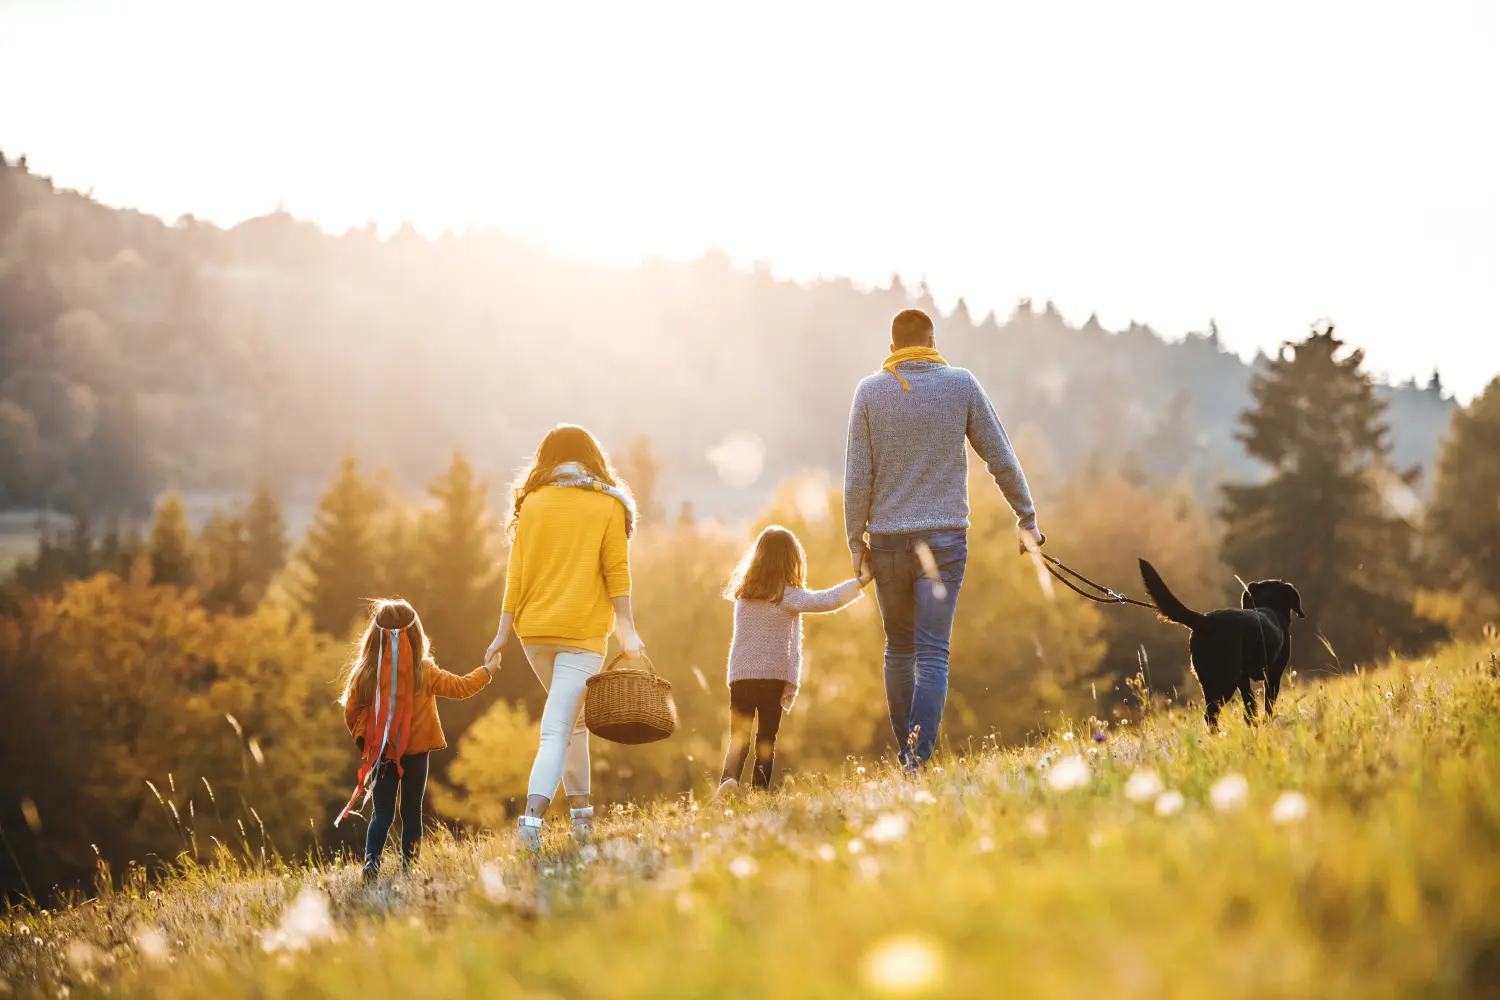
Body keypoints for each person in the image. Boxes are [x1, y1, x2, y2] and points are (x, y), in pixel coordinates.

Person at [843, 308, 1044, 771]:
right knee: (932, 651)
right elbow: (1001, 458)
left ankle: (908, 757)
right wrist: (1026, 517)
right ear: (933, 341)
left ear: (892, 348)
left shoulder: (870, 392)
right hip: (945, 539)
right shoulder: (961, 384)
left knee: (898, 648)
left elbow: (857, 480)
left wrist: (857, 543)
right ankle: (916, 758)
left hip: (889, 541)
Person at [483, 424, 646, 852]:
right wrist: (628, 630)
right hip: (582, 634)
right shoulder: (607, 505)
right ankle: (531, 823)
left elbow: (515, 576)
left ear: (547, 458)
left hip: (533, 632)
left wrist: (501, 633)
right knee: (559, 728)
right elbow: (617, 574)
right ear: (592, 457)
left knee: (573, 726)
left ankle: (582, 819)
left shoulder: (532, 503)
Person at [337, 598, 495, 881]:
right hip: (417, 754)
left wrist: (365, 739)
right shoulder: (425, 671)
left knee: (381, 813)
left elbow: (351, 711)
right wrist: (487, 671)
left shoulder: (366, 674)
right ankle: (410, 868)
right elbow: (460, 687)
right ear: (415, 634)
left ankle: (371, 863)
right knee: (412, 811)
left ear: (373, 637)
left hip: (382, 752)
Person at [714, 525, 872, 797]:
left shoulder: (744, 595)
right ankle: (759, 795)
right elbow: (827, 600)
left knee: (737, 739)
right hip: (770, 680)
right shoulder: (785, 595)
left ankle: (727, 784)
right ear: (790, 560)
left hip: (740, 677)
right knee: (766, 740)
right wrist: (862, 581)